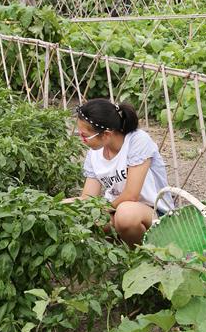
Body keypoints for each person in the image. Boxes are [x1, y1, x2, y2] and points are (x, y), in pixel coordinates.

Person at [73, 98, 173, 244]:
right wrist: (57, 206)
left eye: (85, 135)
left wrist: (102, 210)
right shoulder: (94, 153)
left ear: (106, 134)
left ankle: (144, 258)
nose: (82, 140)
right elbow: (88, 198)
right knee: (88, 220)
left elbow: (131, 195)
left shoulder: (137, 141)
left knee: (125, 214)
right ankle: (126, 250)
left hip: (154, 212)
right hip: (116, 210)